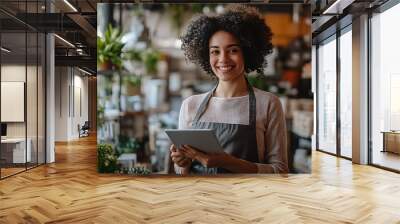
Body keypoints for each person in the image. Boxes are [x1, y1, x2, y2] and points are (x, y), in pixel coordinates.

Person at [170, 5, 288, 174]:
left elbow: (281, 171)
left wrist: (230, 163)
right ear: (206, 55)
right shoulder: (190, 105)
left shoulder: (269, 103)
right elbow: (181, 173)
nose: (223, 59)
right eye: (215, 51)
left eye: (233, 50)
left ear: (247, 52)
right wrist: (182, 163)